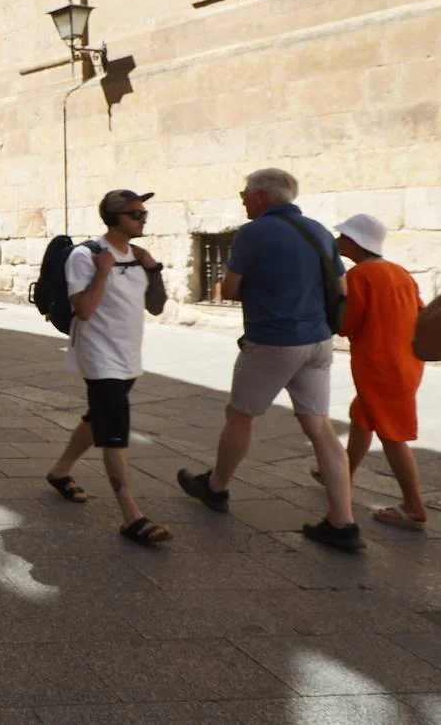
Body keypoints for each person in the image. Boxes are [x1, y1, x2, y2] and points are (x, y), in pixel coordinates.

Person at [177, 168, 361, 552]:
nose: (242, 198)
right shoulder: (319, 232)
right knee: (320, 427)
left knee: (240, 416)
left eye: (245, 192)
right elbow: (342, 288)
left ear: (262, 195)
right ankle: (343, 522)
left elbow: (229, 289)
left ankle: (217, 487)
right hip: (318, 342)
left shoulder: (253, 232)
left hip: (273, 340)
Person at [44, 190, 171, 545]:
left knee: (97, 417)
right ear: (114, 217)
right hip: (100, 357)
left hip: (129, 356)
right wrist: (102, 272)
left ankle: (59, 471)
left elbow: (157, 307)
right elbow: (83, 309)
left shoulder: (138, 256)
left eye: (144, 213)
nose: (143, 219)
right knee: (115, 431)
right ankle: (133, 516)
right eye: (135, 214)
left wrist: (153, 269)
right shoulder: (87, 257)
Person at [308, 214, 426, 529]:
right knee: (361, 415)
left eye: (342, 237)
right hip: (406, 363)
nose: (336, 241)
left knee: (392, 435)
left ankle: (414, 506)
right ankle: (340, 473)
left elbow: (346, 326)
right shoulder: (399, 272)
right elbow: (421, 311)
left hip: (380, 366)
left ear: (354, 243)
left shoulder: (360, 276)